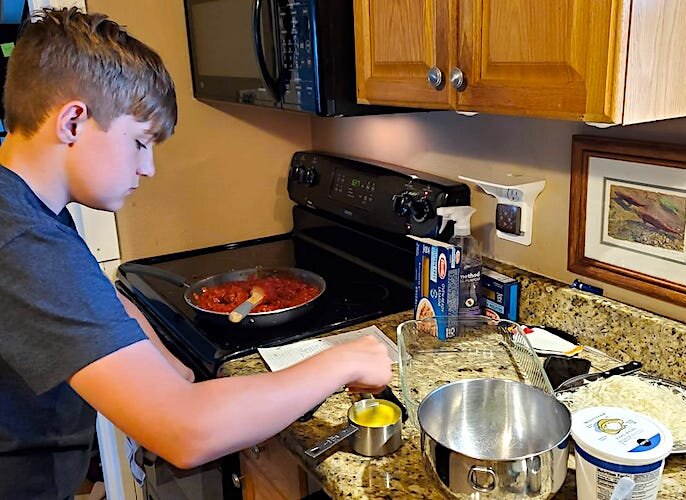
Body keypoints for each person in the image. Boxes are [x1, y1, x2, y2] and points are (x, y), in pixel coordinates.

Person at [0, 8, 393, 499]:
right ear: (74, 121)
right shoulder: (23, 240)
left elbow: (99, 299)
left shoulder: (26, 205)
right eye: (140, 143)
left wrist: (175, 371)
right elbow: (185, 433)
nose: (148, 169)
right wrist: (344, 362)